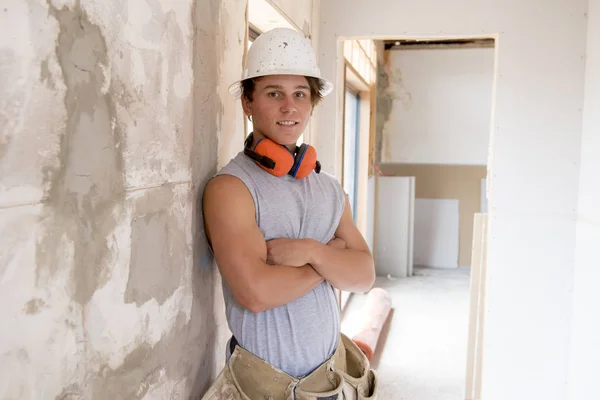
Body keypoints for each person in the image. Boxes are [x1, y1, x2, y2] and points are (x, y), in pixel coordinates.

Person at [201, 27, 379, 399]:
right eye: (273, 94)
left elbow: (364, 277)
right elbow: (256, 293)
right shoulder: (231, 189)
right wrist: (329, 263)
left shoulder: (328, 188)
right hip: (269, 389)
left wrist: (312, 252)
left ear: (312, 102)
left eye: (300, 94)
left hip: (331, 381)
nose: (289, 107)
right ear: (247, 103)